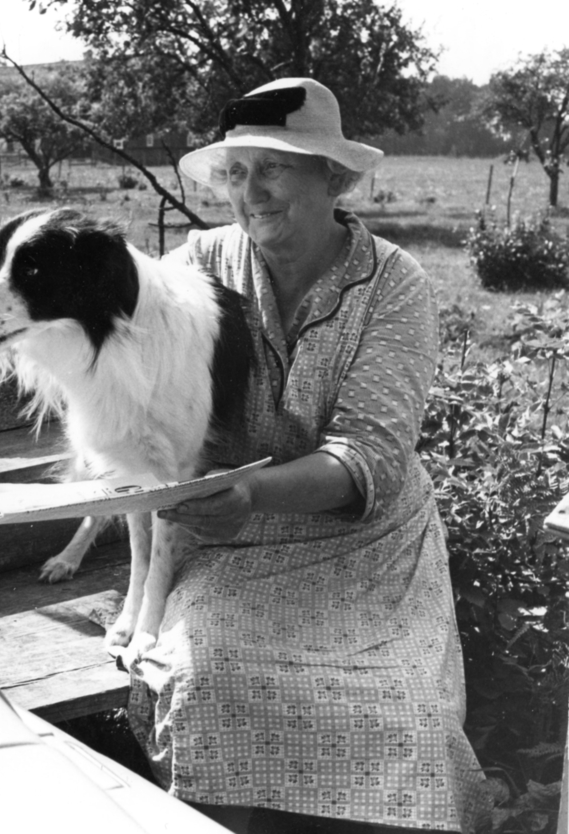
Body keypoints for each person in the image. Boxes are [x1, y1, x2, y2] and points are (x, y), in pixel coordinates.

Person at [127, 79, 486, 833]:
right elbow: (130, 380)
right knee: (208, 683)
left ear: (334, 176)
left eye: (275, 168)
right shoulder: (196, 266)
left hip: (369, 546)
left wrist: (251, 492)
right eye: (235, 172)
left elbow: (370, 457)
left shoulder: (393, 283)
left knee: (409, 717)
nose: (249, 192)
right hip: (232, 545)